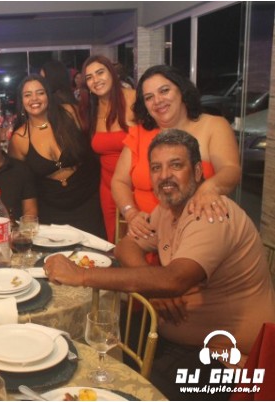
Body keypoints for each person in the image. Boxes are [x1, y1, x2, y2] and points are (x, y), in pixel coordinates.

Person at [45, 130, 275, 401]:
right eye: (156, 168)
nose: (165, 175)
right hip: (178, 340)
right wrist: (154, 289)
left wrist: (81, 276)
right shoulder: (167, 210)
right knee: (87, 352)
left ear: (197, 171)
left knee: (127, 389)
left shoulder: (210, 214)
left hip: (228, 363)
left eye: (176, 165)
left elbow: (175, 280)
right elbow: (126, 246)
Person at [111, 65, 241, 240]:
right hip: (147, 235)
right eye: (149, 97)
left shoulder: (214, 126)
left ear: (182, 90)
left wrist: (209, 188)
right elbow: (119, 181)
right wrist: (131, 213)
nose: (157, 101)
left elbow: (231, 170)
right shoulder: (139, 134)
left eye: (164, 91)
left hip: (198, 233)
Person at [8, 74, 105, 238]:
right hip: (51, 209)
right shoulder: (19, 139)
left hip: (87, 199)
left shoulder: (69, 113)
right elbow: (21, 182)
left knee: (93, 249)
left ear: (48, 95)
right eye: (27, 95)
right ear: (21, 101)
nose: (34, 99)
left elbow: (95, 139)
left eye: (40, 93)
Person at [79, 55, 136, 243]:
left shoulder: (133, 99)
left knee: (140, 241)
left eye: (100, 72)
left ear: (112, 73)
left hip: (136, 187)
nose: (96, 80)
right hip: (108, 188)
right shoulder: (90, 109)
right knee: (115, 241)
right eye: (89, 77)